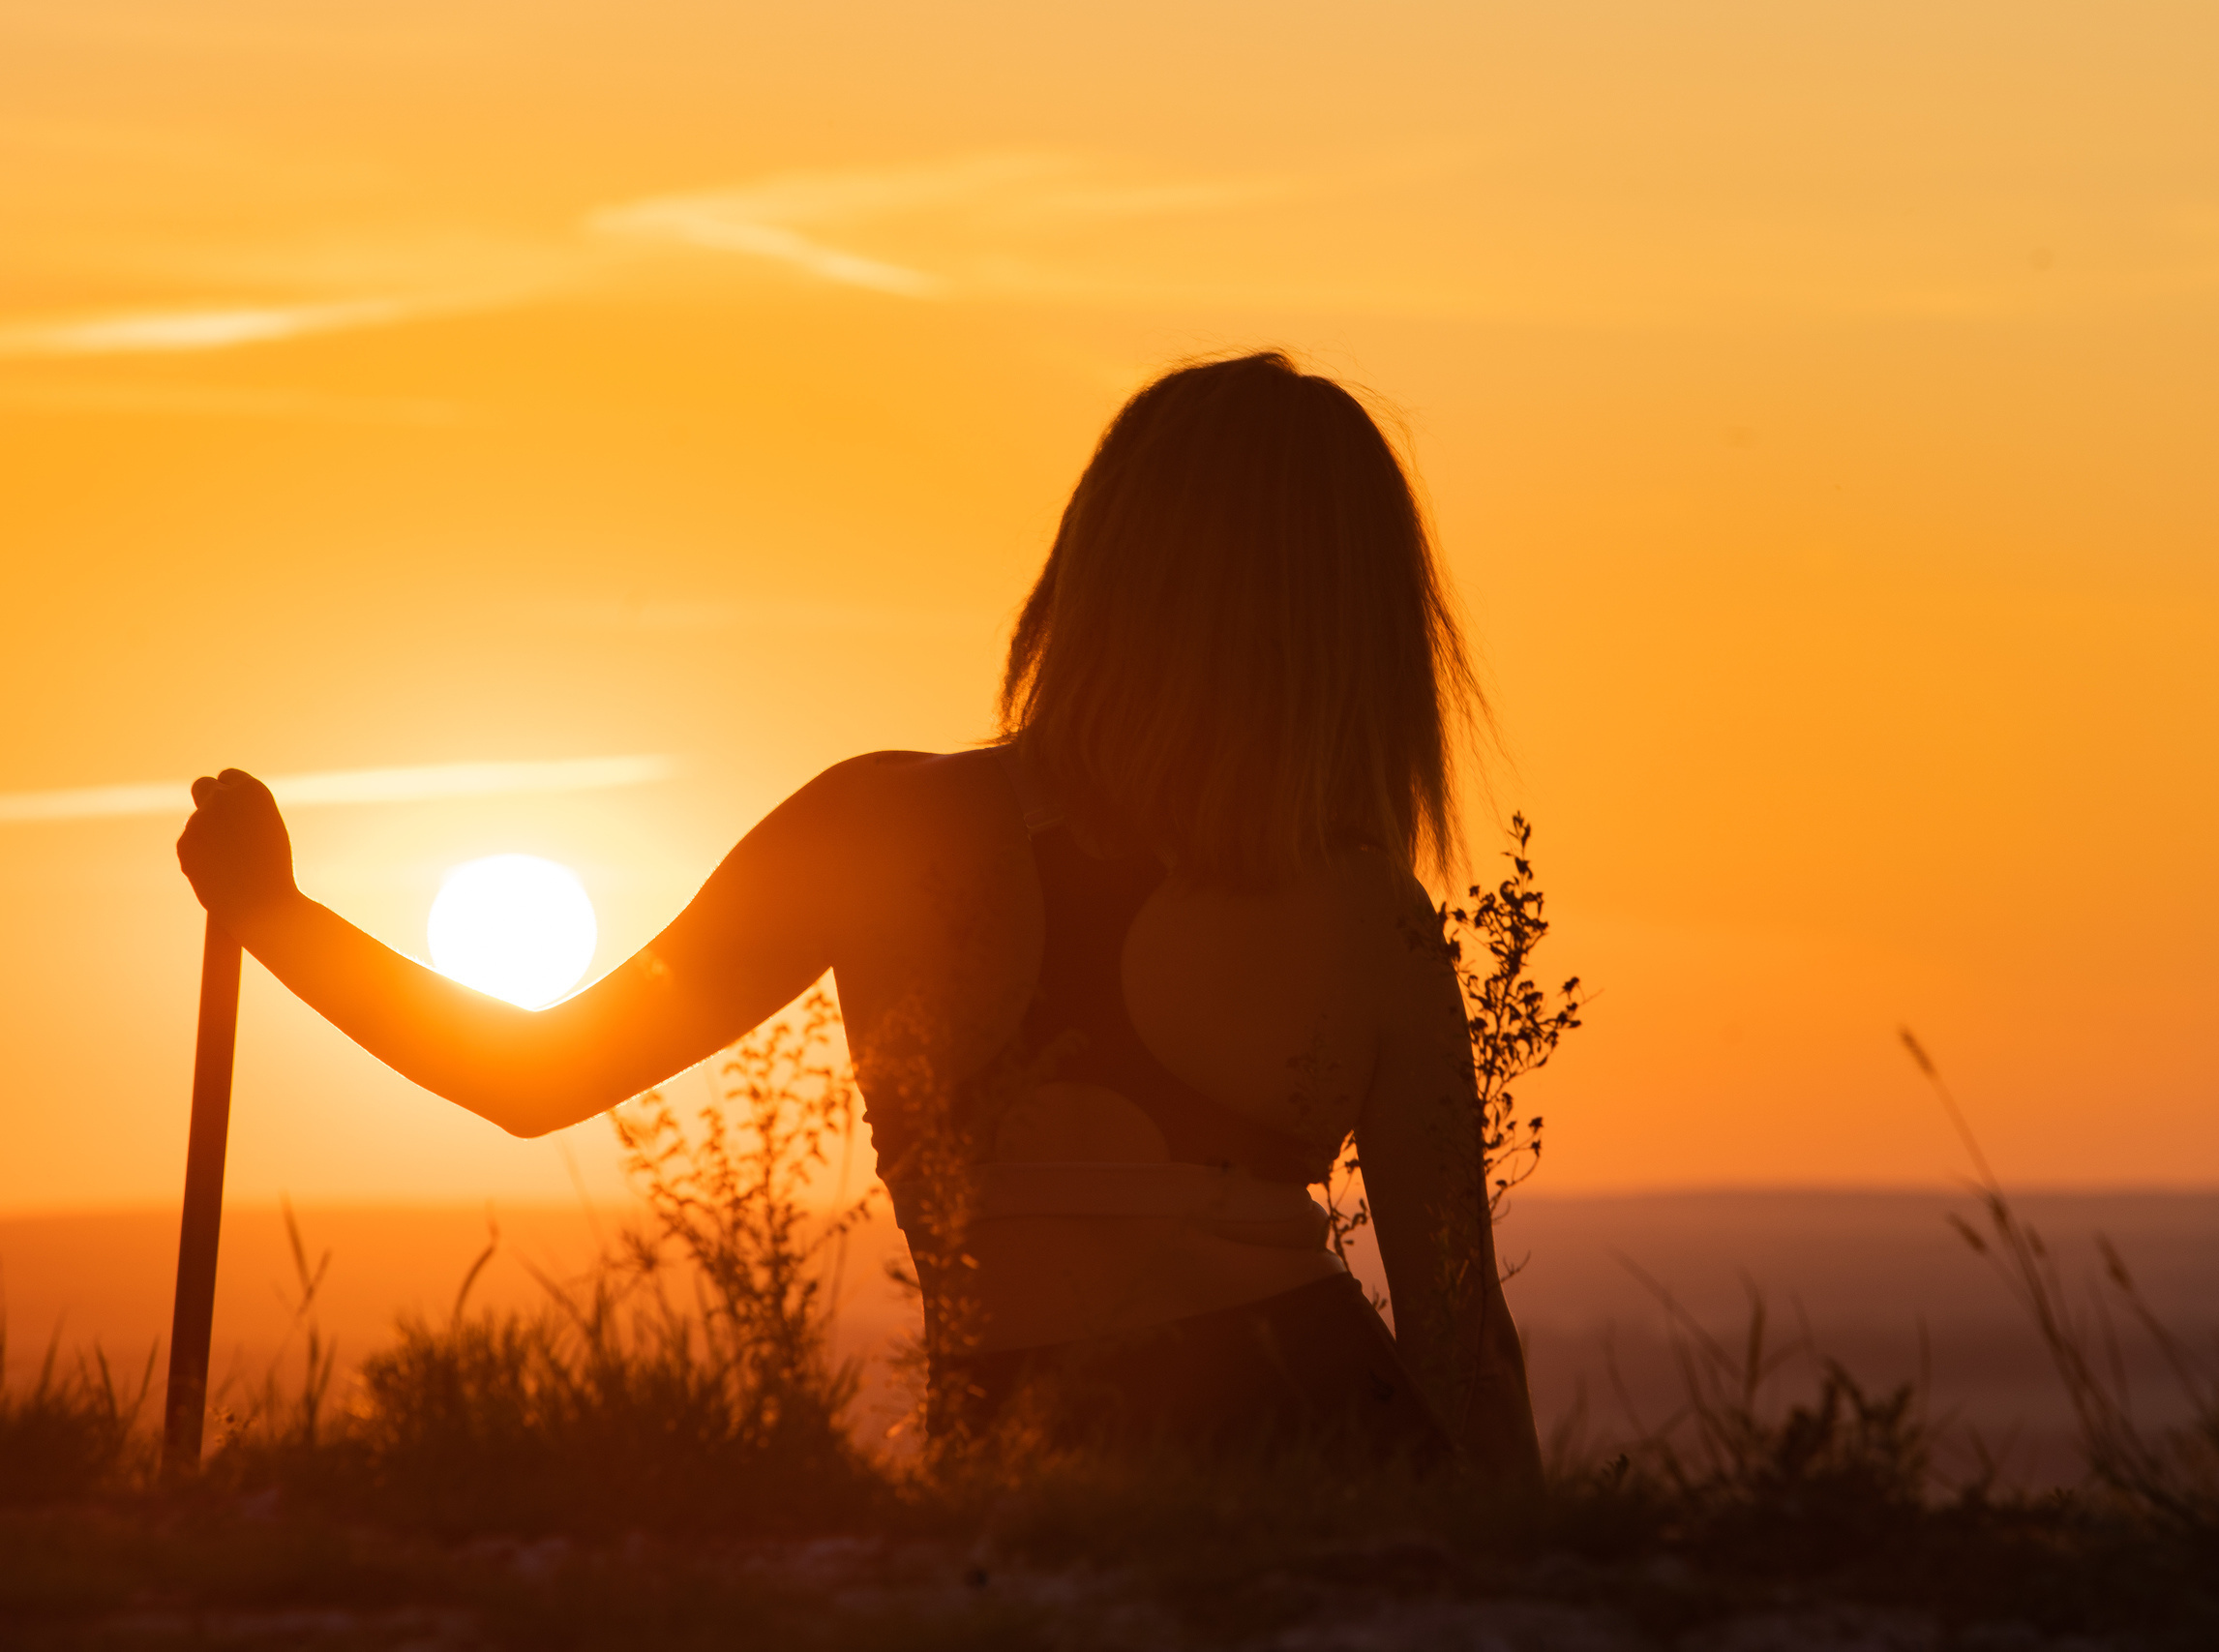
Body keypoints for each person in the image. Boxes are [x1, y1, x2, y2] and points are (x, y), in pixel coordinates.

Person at [177, 350, 1541, 1478]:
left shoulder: (883, 827)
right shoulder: (1370, 922)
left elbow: (533, 1074)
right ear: (1346, 628)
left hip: (1028, 1450)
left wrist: (275, 913)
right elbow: (1462, 1344)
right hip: (1327, 1462)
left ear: (1101, 567)